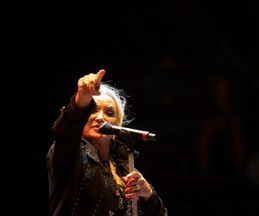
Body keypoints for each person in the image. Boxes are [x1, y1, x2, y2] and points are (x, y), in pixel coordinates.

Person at [46, 69, 168, 216]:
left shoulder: (125, 166)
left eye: (109, 113)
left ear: (118, 125)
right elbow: (67, 132)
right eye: (92, 110)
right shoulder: (69, 155)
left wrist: (149, 196)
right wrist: (82, 98)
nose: (100, 117)